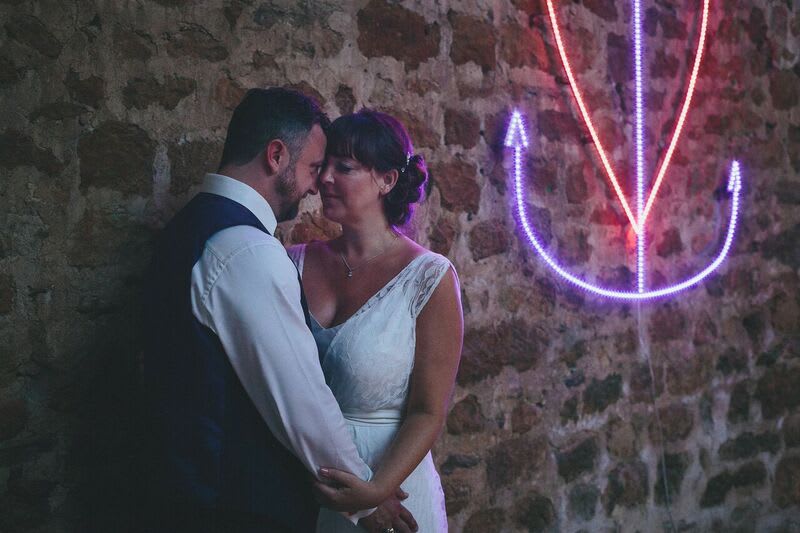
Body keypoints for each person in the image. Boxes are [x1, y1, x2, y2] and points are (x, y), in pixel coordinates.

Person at [142, 88, 415, 533]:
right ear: (275, 156)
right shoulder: (248, 249)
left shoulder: (187, 227)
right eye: (312, 168)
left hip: (182, 490)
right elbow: (298, 396)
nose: (314, 186)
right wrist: (366, 497)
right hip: (238, 505)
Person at [286, 109, 464, 533]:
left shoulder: (429, 277)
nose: (324, 178)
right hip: (304, 484)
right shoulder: (293, 262)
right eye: (324, 165)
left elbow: (427, 410)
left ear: (386, 180)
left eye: (344, 168)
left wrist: (375, 492)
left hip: (393, 490)